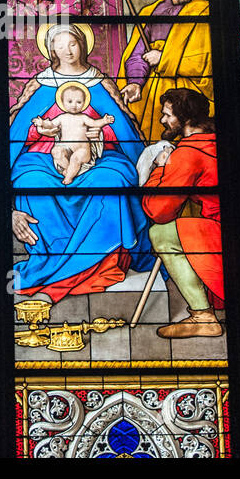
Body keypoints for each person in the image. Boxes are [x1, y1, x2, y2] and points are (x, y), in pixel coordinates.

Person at [10, 23, 153, 301]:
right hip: (45, 155)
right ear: (51, 50)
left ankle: (104, 263)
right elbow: (20, 131)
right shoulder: (41, 85)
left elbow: (120, 129)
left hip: (98, 155)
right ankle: (54, 259)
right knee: (29, 181)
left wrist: (98, 130)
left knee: (113, 179)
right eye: (61, 45)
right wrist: (40, 128)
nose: (68, 50)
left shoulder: (99, 84)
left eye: (73, 43)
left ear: (83, 45)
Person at [141, 88, 223, 338]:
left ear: (185, 119)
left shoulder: (188, 152)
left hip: (233, 231)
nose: (163, 121)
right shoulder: (220, 142)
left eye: (167, 115)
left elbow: (158, 211)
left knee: (161, 233)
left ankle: (203, 316)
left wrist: (160, 169)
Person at [117, 0, 213, 142]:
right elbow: (137, 53)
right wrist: (135, 82)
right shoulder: (149, 12)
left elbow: (206, 58)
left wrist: (164, 58)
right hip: (154, 92)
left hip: (190, 92)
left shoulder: (204, 10)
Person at [31, 82, 116, 185]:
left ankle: (68, 178)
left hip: (82, 150)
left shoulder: (84, 117)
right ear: (62, 102)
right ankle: (69, 170)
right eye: (70, 101)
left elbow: (94, 123)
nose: (74, 105)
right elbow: (51, 124)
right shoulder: (62, 117)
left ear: (84, 103)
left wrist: (104, 121)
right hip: (65, 149)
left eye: (79, 102)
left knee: (76, 158)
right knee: (56, 151)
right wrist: (42, 123)